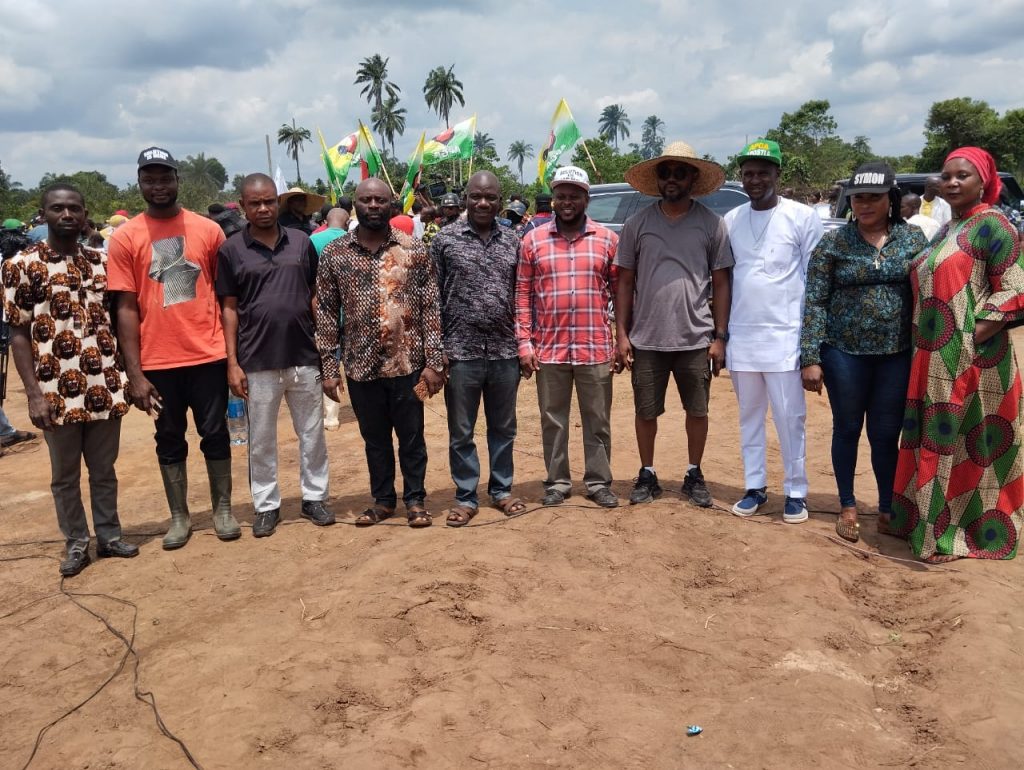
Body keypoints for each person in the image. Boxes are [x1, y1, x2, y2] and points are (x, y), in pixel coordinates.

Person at [892, 147, 1024, 562]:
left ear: (983, 180)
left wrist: (967, 341)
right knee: (935, 439)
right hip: (932, 357)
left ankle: (959, 535)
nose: (951, 182)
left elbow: (1013, 290)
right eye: (946, 175)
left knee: (967, 445)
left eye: (962, 175)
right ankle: (924, 523)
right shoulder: (949, 229)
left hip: (974, 361)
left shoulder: (994, 225)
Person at [107, 146, 238, 549]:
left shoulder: (208, 230)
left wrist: (233, 357)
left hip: (207, 353)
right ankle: (179, 516)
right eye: (150, 178)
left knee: (215, 432)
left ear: (178, 181)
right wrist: (135, 373)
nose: (158, 186)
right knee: (168, 436)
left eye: (165, 178)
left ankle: (223, 509)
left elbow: (226, 297)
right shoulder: (126, 238)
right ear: (140, 182)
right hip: (159, 359)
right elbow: (125, 308)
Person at [3, 183, 136, 576]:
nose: (66, 215)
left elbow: (119, 319)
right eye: (57, 209)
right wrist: (32, 394)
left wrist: (130, 374)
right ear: (42, 215)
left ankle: (110, 536)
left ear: (84, 214)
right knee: (64, 475)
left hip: (104, 384)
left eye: (74, 209)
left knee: (104, 469)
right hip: (54, 389)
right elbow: (18, 333)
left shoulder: (101, 263)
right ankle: (77, 543)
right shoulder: (21, 266)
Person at [800, 162, 928, 542]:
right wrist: (810, 357)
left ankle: (887, 508)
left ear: (890, 200)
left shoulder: (913, 240)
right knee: (848, 428)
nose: (865, 205)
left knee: (887, 434)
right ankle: (848, 505)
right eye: (858, 199)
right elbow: (816, 301)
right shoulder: (833, 243)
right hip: (845, 353)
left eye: (873, 198)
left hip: (896, 354)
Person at [315, 178, 445, 528]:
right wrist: (328, 368)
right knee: (374, 439)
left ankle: (416, 500)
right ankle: (383, 500)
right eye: (366, 199)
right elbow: (326, 312)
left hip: (408, 365)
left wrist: (434, 362)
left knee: (412, 437)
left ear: (392, 204)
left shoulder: (414, 249)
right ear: (354, 205)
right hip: (360, 366)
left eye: (380, 200)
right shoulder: (335, 253)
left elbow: (431, 306)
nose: (373, 205)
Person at [615, 142, 733, 507]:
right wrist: (621, 334)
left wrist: (720, 337)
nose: (671, 178)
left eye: (680, 172)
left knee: (697, 410)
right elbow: (624, 281)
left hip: (695, 337)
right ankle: (647, 472)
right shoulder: (638, 224)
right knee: (645, 410)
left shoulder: (711, 225)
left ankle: (693, 472)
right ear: (657, 179)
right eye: (665, 172)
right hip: (647, 337)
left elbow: (722, 281)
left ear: (692, 178)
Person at [216, 173, 334, 538]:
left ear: (277, 201)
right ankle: (266, 505)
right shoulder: (231, 250)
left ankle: (314, 498)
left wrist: (325, 347)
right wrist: (232, 363)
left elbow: (315, 295)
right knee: (262, 438)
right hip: (257, 359)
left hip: (303, 354)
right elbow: (229, 308)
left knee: (312, 434)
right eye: (255, 203)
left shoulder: (301, 242)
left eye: (269, 201)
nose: (264, 208)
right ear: (244, 205)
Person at [724, 140, 824, 522]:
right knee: (749, 415)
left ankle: (795, 491)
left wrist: (810, 346)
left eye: (763, 172)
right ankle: (754, 487)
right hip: (743, 337)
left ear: (778, 175)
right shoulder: (731, 220)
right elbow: (726, 279)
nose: (755, 179)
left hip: (785, 337)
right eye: (748, 173)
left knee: (789, 418)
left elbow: (814, 282)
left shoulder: (801, 217)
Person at [516, 166, 620, 508]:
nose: (567, 201)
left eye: (574, 195)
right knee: (553, 419)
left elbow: (620, 293)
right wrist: (524, 342)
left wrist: (621, 341)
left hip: (595, 347)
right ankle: (557, 482)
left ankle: (598, 481)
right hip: (550, 348)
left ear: (586, 199)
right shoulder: (533, 240)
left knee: (598, 420)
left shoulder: (607, 240)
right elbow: (523, 294)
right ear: (553, 199)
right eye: (561, 195)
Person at [431, 171, 525, 526]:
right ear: (465, 198)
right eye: (476, 196)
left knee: (503, 427)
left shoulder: (514, 240)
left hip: (504, 351)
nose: (483, 203)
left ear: (500, 201)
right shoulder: (444, 240)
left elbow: (522, 295)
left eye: (490, 197)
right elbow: (432, 299)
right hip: (460, 352)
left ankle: (502, 490)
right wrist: (436, 348)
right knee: (462, 431)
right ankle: (466, 496)